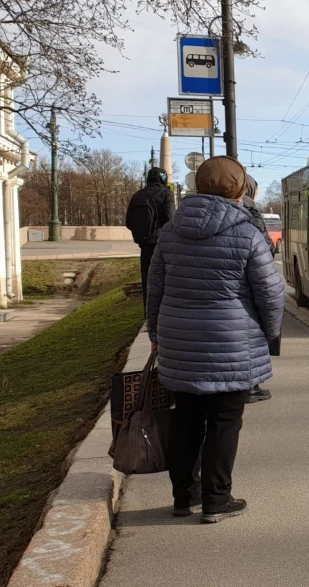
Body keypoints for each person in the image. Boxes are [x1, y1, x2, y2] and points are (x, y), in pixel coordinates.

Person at [145, 156, 284, 523]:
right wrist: (268, 334)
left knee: (186, 418)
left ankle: (182, 497)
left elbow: (154, 287)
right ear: (239, 188)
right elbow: (271, 294)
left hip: (179, 343)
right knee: (224, 421)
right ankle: (216, 501)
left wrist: (156, 334)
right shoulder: (247, 234)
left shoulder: (171, 231)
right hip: (233, 345)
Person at [241, 175, 273, 404]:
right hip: (244, 292)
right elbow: (266, 251)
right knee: (247, 339)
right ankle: (250, 386)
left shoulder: (179, 222)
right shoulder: (251, 214)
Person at [124, 167, 175, 307]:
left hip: (145, 245)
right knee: (164, 280)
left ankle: (148, 315)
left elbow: (128, 222)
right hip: (162, 244)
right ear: (164, 179)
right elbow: (171, 220)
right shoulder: (166, 195)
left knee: (148, 280)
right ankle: (162, 313)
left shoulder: (137, 195)